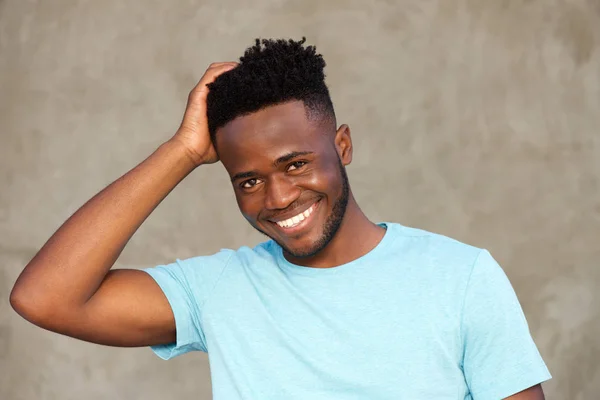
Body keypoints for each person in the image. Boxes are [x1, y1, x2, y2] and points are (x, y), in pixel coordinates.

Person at [10, 38, 551, 400]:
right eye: (248, 180)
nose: (279, 196)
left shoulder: (460, 277)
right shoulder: (221, 289)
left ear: (342, 145)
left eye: (296, 164)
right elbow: (44, 298)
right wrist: (182, 150)